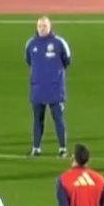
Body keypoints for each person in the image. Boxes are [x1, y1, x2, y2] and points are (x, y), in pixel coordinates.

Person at [26, 16, 73, 157]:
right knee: (37, 119)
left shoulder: (59, 43)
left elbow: (67, 60)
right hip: (38, 88)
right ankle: (36, 148)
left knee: (58, 119)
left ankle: (63, 149)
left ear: (50, 27)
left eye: (44, 26)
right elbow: (29, 60)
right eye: (40, 26)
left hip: (55, 88)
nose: (42, 28)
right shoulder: (31, 43)